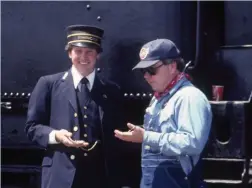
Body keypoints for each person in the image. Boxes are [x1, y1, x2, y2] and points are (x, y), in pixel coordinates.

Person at [25, 25, 124, 188]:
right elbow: (32, 128)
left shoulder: (111, 90)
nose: (83, 57)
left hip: (99, 177)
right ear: (70, 53)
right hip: (60, 176)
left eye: (89, 51)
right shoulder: (48, 84)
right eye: (78, 51)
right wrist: (56, 135)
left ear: (98, 55)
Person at [114, 39, 212, 188]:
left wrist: (146, 136)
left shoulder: (189, 97)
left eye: (151, 70)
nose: (146, 76)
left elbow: (193, 142)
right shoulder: (158, 98)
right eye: (143, 71)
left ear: (172, 66)